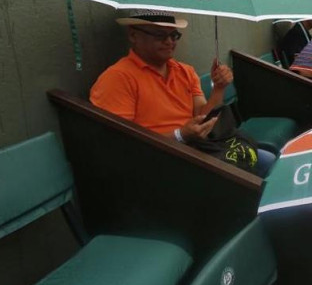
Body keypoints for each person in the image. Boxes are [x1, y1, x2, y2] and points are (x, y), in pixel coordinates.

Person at [90, 10, 276, 176]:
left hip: (199, 149)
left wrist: (219, 88)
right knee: (264, 165)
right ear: (133, 35)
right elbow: (121, 148)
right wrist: (180, 135)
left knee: (269, 160)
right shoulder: (117, 78)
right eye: (159, 35)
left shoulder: (184, 71)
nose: (169, 41)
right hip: (164, 164)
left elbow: (202, 118)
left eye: (174, 35)